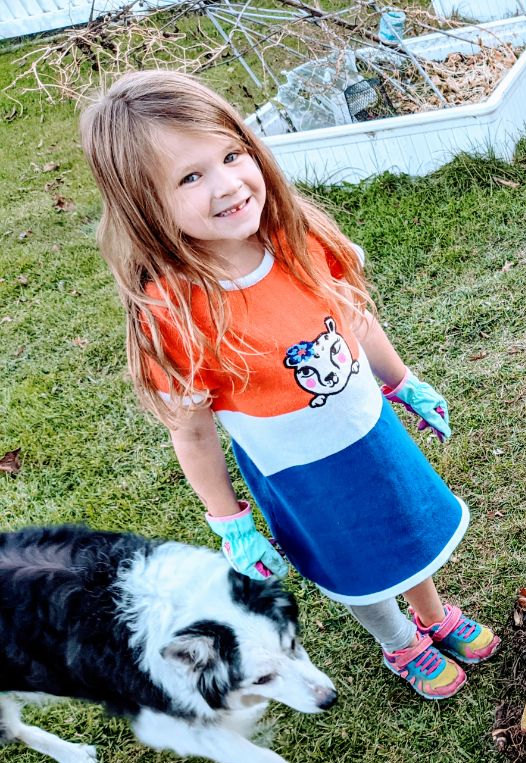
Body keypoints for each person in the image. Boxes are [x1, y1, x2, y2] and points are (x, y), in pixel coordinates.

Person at [79, 70, 498, 700]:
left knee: (406, 527)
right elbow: (191, 432)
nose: (226, 185)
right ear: (144, 205)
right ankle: (398, 641)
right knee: (355, 560)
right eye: (189, 178)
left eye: (230, 155)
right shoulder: (175, 310)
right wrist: (231, 523)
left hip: (369, 433)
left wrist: (402, 382)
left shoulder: (296, 236)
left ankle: (435, 615)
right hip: (301, 470)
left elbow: (355, 316)